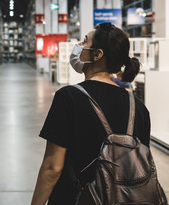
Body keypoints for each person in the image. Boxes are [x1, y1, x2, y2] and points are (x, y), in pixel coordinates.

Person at [31, 22, 145, 205]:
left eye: (84, 42)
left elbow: (52, 168)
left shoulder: (68, 98)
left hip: (76, 198)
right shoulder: (138, 108)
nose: (78, 46)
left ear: (97, 54)